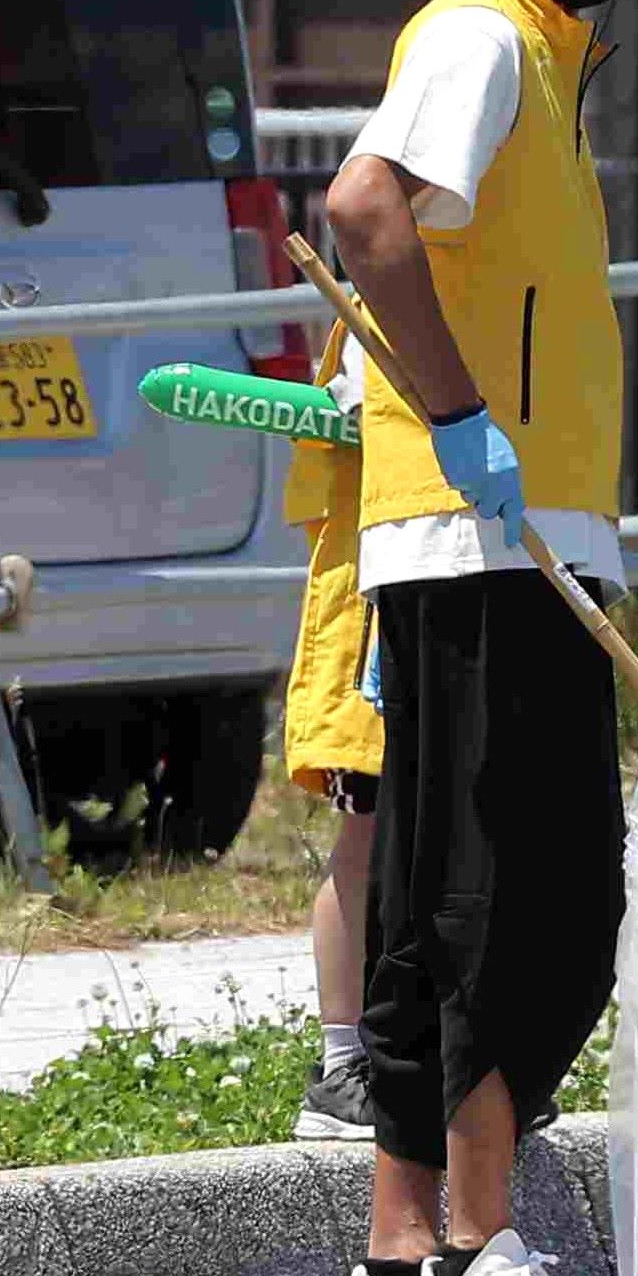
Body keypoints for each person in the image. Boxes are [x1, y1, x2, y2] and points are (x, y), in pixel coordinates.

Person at [317, 0, 638, 1276]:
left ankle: (400, 1261)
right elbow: (364, 207)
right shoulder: (479, 36)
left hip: (501, 524)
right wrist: (456, 416)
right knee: (522, 893)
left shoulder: (541, 55)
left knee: (431, 893)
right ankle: (477, 1240)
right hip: (484, 530)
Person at [286, 324, 385, 1151]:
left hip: (465, 589)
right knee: (368, 833)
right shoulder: (378, 301)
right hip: (377, 611)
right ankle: (341, 1064)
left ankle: (460, 1054)